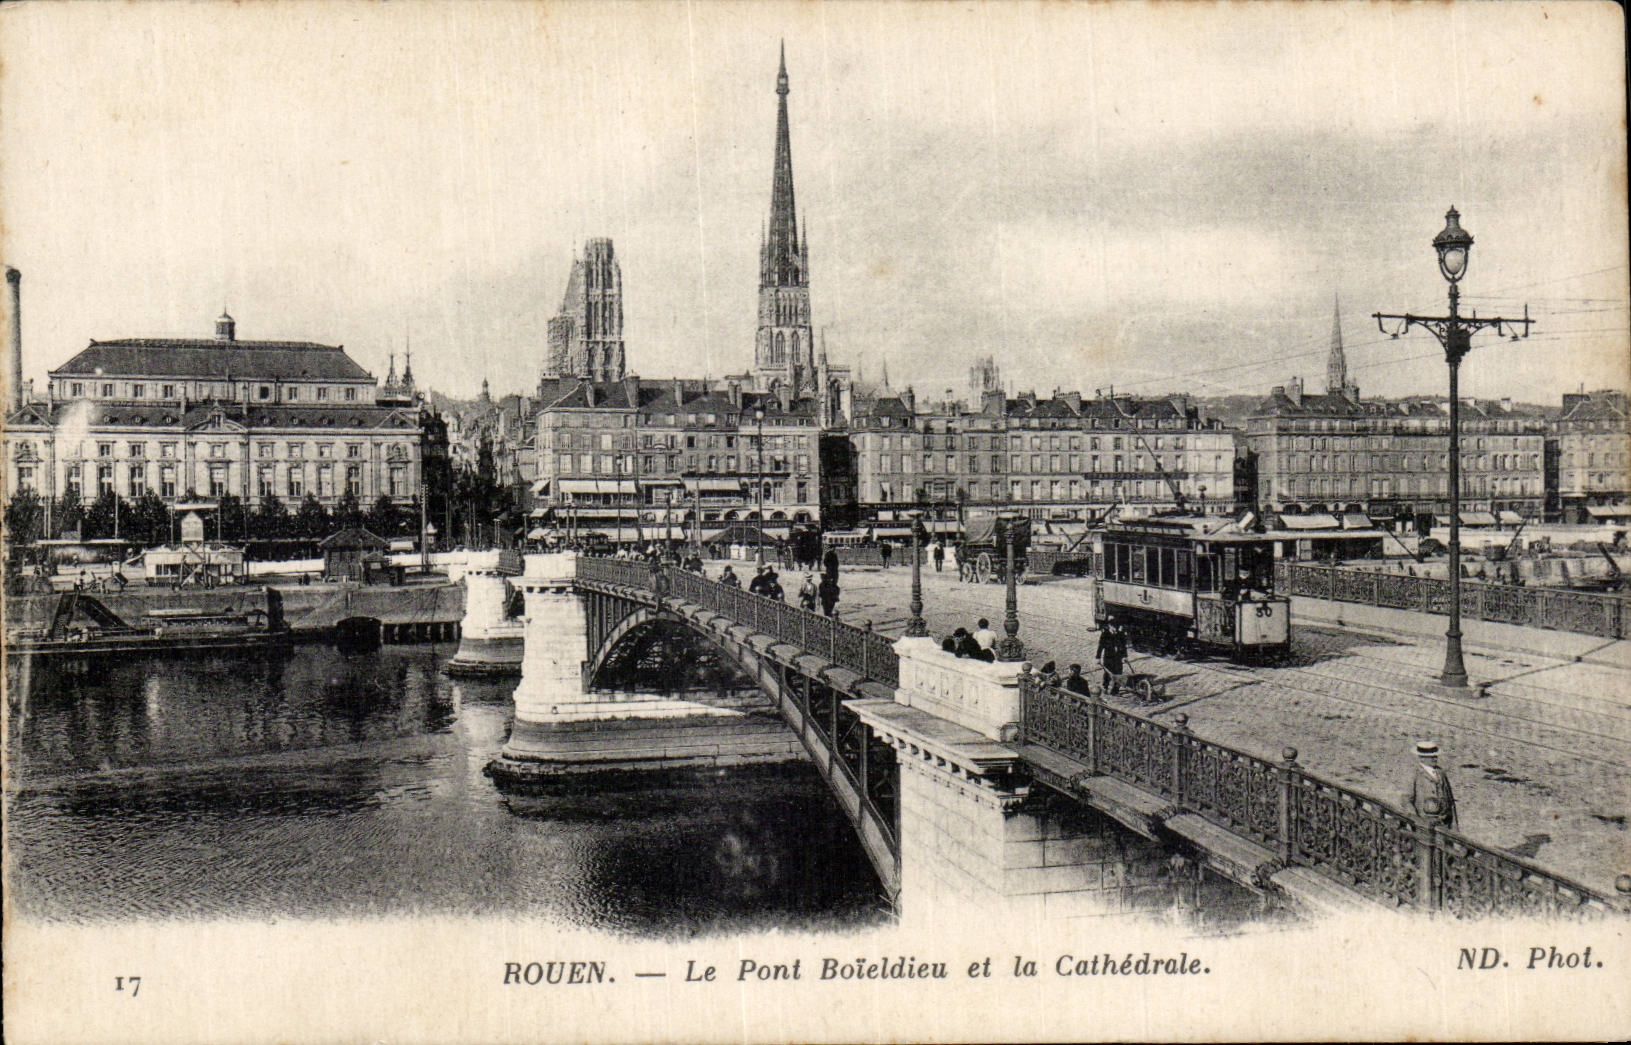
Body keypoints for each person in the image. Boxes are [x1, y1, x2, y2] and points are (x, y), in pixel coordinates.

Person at [1407, 741, 1457, 828]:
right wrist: (1416, 821)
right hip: (1424, 824)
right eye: (1431, 757)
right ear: (1421, 758)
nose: (1435, 759)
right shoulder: (1414, 774)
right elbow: (1406, 800)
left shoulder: (1441, 773)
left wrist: (1454, 825)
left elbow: (1450, 801)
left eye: (1435, 756)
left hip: (1444, 823)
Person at [1096, 620, 1127, 691]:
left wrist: (1125, 656)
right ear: (1109, 626)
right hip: (1108, 657)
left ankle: (1116, 689)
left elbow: (1124, 646)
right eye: (1113, 627)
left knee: (1118, 673)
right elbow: (1100, 646)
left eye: (1116, 627)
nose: (1115, 629)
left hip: (1118, 657)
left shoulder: (1120, 634)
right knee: (1108, 672)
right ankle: (1105, 687)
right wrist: (1098, 657)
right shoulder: (1105, 634)